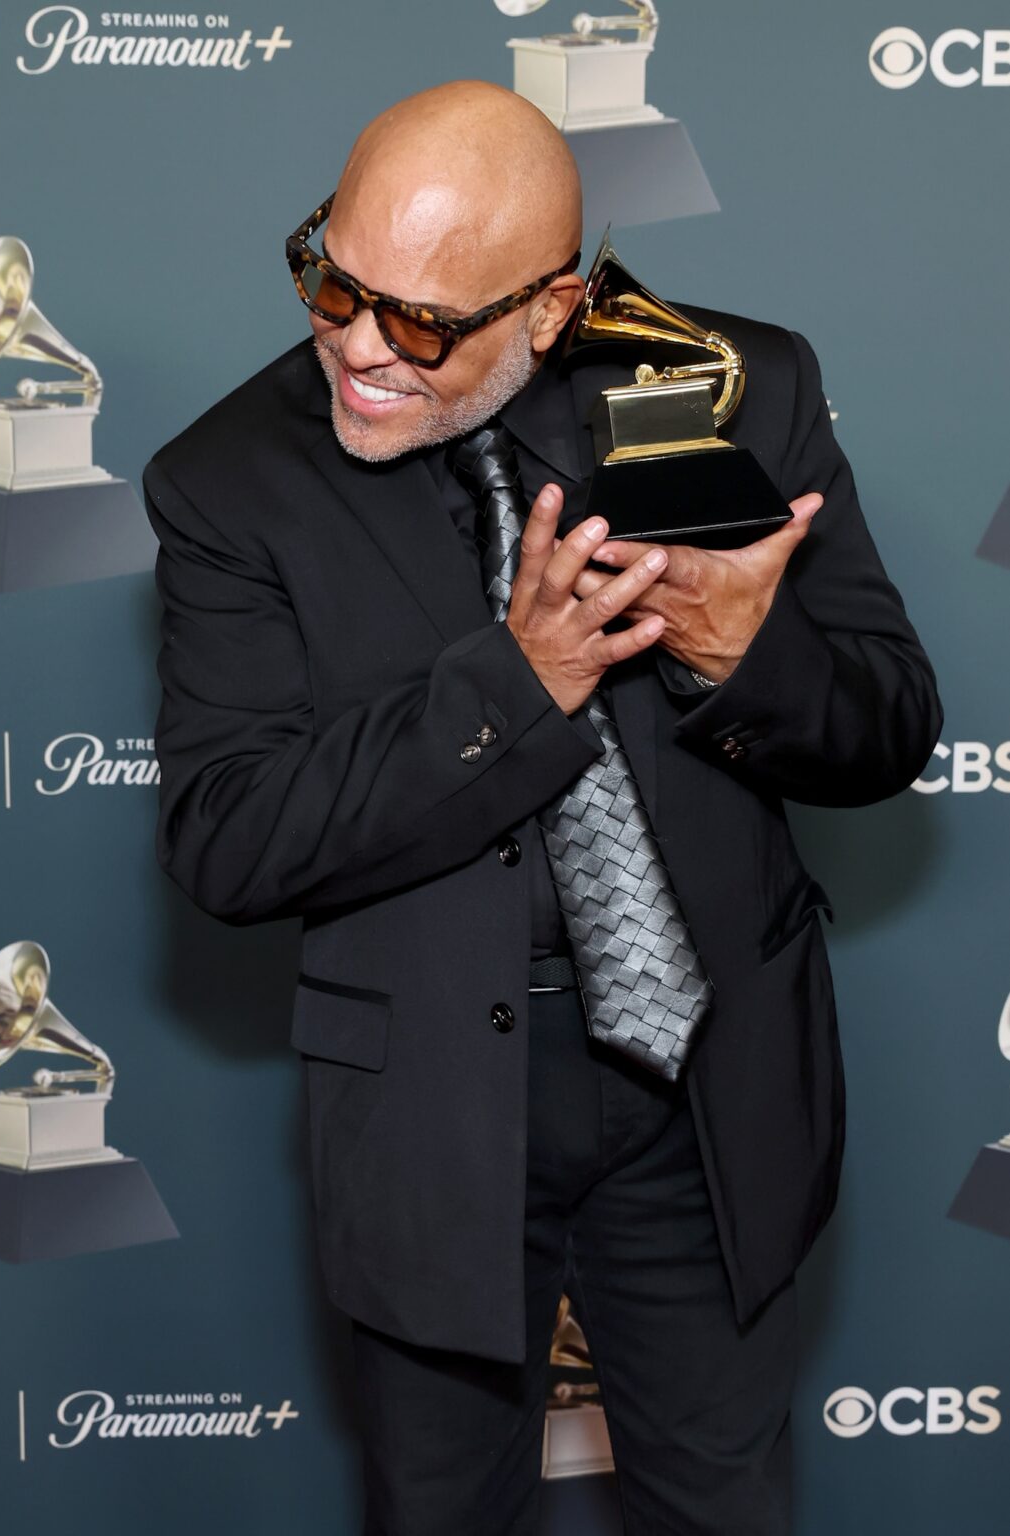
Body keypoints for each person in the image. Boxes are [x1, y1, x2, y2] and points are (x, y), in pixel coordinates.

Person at [144, 80, 941, 1536]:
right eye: (333, 281)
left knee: (724, 1507)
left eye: (423, 324)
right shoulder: (227, 482)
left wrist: (742, 655)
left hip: (708, 1084)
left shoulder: (720, 388)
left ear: (555, 307)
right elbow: (230, 840)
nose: (358, 346)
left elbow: (886, 726)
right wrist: (515, 686)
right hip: (431, 1110)